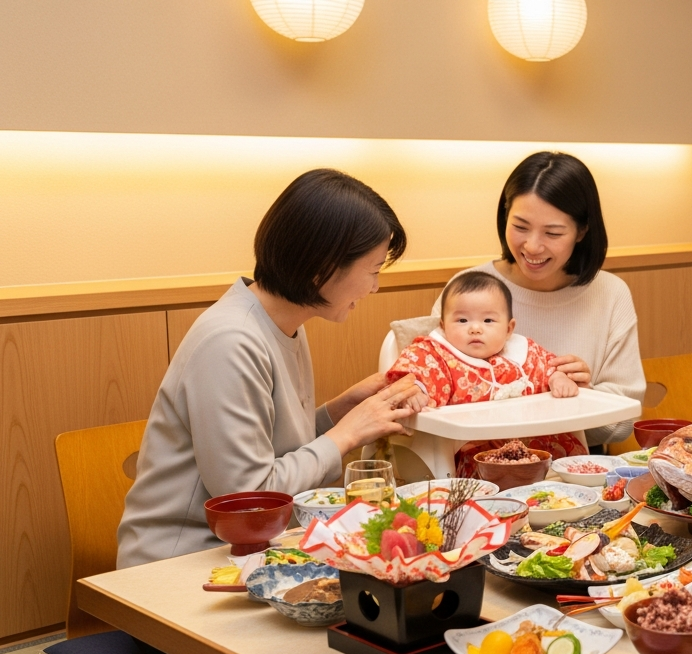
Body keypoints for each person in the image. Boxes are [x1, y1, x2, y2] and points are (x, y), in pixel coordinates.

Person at [117, 169, 422, 569]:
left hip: (248, 552)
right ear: (323, 267)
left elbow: (270, 451)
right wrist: (346, 434)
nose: (375, 287)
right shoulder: (230, 340)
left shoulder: (280, 322)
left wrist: (339, 410)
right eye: (373, 270)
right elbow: (250, 496)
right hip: (181, 564)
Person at [423, 151, 645, 450]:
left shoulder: (609, 293)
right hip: (476, 467)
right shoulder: (467, 290)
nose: (532, 246)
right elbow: (432, 389)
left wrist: (584, 396)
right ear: (505, 215)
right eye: (520, 227)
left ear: (582, 231)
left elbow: (622, 422)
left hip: (575, 471)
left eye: (553, 232)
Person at [389, 271, 579, 476]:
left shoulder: (524, 353)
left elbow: (549, 367)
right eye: (462, 320)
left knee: (568, 458)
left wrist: (558, 377)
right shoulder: (437, 356)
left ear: (508, 329)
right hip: (471, 449)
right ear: (443, 326)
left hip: (534, 443)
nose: (475, 328)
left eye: (488, 320)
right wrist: (414, 390)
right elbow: (416, 372)